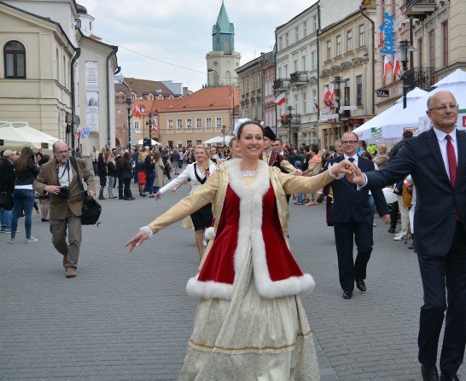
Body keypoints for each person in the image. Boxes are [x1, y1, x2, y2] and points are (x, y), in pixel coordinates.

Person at [125, 121, 353, 379]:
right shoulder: (222, 174)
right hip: (230, 254)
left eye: (259, 137)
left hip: (270, 254)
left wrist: (333, 171)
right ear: (238, 142)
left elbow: (307, 185)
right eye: (249, 137)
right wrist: (151, 228)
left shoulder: (273, 174)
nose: (255, 142)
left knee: (270, 319)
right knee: (226, 315)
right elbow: (191, 201)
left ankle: (269, 368)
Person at [346, 91, 466, 380]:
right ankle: (427, 362)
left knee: (460, 307)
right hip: (432, 236)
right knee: (435, 304)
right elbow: (390, 173)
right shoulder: (416, 146)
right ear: (430, 113)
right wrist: (363, 178)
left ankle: (449, 369)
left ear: (457, 110)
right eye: (442, 107)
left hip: (464, 237)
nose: (448, 110)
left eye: (452, 106)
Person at [324, 131, 390, 299]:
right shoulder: (333, 163)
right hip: (342, 214)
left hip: (363, 212)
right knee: (344, 252)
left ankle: (359, 273)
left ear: (357, 143)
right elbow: (322, 180)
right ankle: (347, 287)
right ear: (341, 144)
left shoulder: (368, 164)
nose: (348, 145)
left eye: (351, 142)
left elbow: (376, 187)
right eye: (345, 142)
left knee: (366, 247)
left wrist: (384, 211)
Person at [33, 141, 96, 278]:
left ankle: (71, 266)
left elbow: (89, 176)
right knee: (57, 240)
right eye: (60, 152)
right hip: (57, 207)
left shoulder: (77, 162)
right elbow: (36, 183)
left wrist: (91, 188)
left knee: (75, 238)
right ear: (54, 153)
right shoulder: (46, 167)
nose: (64, 154)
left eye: (66, 151)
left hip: (75, 205)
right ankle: (67, 255)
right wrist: (46, 188)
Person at [156, 145, 217, 260]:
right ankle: (201, 256)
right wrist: (161, 191)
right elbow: (177, 180)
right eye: (197, 153)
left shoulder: (214, 167)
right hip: (194, 202)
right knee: (198, 230)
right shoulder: (190, 167)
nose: (199, 155)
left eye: (201, 153)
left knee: (210, 231)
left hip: (210, 202)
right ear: (193, 155)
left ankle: (210, 255)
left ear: (206, 154)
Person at [10, 147, 40, 243]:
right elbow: (38, 172)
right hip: (28, 188)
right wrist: (36, 163)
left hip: (17, 189)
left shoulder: (16, 162)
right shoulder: (30, 162)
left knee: (15, 214)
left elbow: (13, 176)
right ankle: (28, 237)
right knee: (28, 214)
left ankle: (12, 238)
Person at [0, 149, 18, 234]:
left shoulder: (3, 163)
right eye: (13, 155)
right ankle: (8, 227)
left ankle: (4, 226)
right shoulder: (7, 165)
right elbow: (9, 178)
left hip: (3, 189)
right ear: (9, 156)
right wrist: (14, 184)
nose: (14, 156)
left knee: (3, 208)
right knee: (8, 208)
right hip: (8, 189)